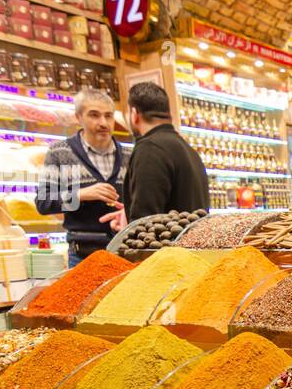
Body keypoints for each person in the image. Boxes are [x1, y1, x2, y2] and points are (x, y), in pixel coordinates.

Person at [34, 88, 130, 267]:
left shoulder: (129, 155)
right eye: (94, 115)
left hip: (125, 251)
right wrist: (81, 194)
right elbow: (44, 202)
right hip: (82, 256)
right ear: (78, 118)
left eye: (108, 116)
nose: (103, 122)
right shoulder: (61, 153)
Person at [122, 81, 210, 221]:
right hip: (191, 241)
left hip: (169, 243)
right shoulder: (187, 149)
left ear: (134, 114)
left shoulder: (149, 149)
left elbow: (144, 221)